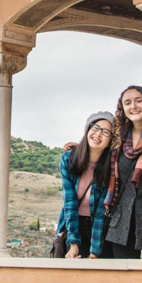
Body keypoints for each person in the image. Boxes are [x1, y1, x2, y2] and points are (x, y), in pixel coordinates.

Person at [103, 85, 142, 259]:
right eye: (127, 103)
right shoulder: (118, 137)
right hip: (121, 220)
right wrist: (78, 149)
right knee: (123, 276)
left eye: (138, 101)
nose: (133, 106)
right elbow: (97, 150)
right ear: (122, 108)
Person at [57, 111, 114, 258]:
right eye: (95, 128)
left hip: (99, 229)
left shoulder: (110, 167)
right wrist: (73, 243)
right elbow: (69, 202)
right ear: (88, 129)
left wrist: (94, 252)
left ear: (111, 141)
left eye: (106, 132)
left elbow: (101, 211)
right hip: (73, 224)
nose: (98, 134)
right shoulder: (69, 159)